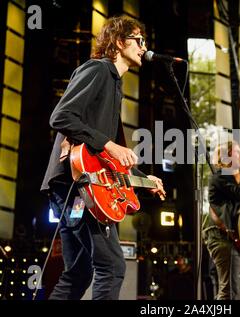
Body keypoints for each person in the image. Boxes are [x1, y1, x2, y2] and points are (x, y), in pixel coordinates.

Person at [40, 16, 164, 300]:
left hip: (75, 187)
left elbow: (106, 158)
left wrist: (145, 179)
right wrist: (109, 145)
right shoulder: (98, 70)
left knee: (79, 272)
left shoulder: (114, 85)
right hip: (76, 186)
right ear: (120, 43)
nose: (144, 47)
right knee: (112, 265)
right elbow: (60, 116)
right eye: (139, 40)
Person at [202, 141, 240, 300]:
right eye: (236, 153)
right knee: (229, 292)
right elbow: (239, 193)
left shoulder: (231, 179)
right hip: (221, 237)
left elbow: (238, 216)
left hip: (229, 239)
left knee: (230, 290)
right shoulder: (220, 175)